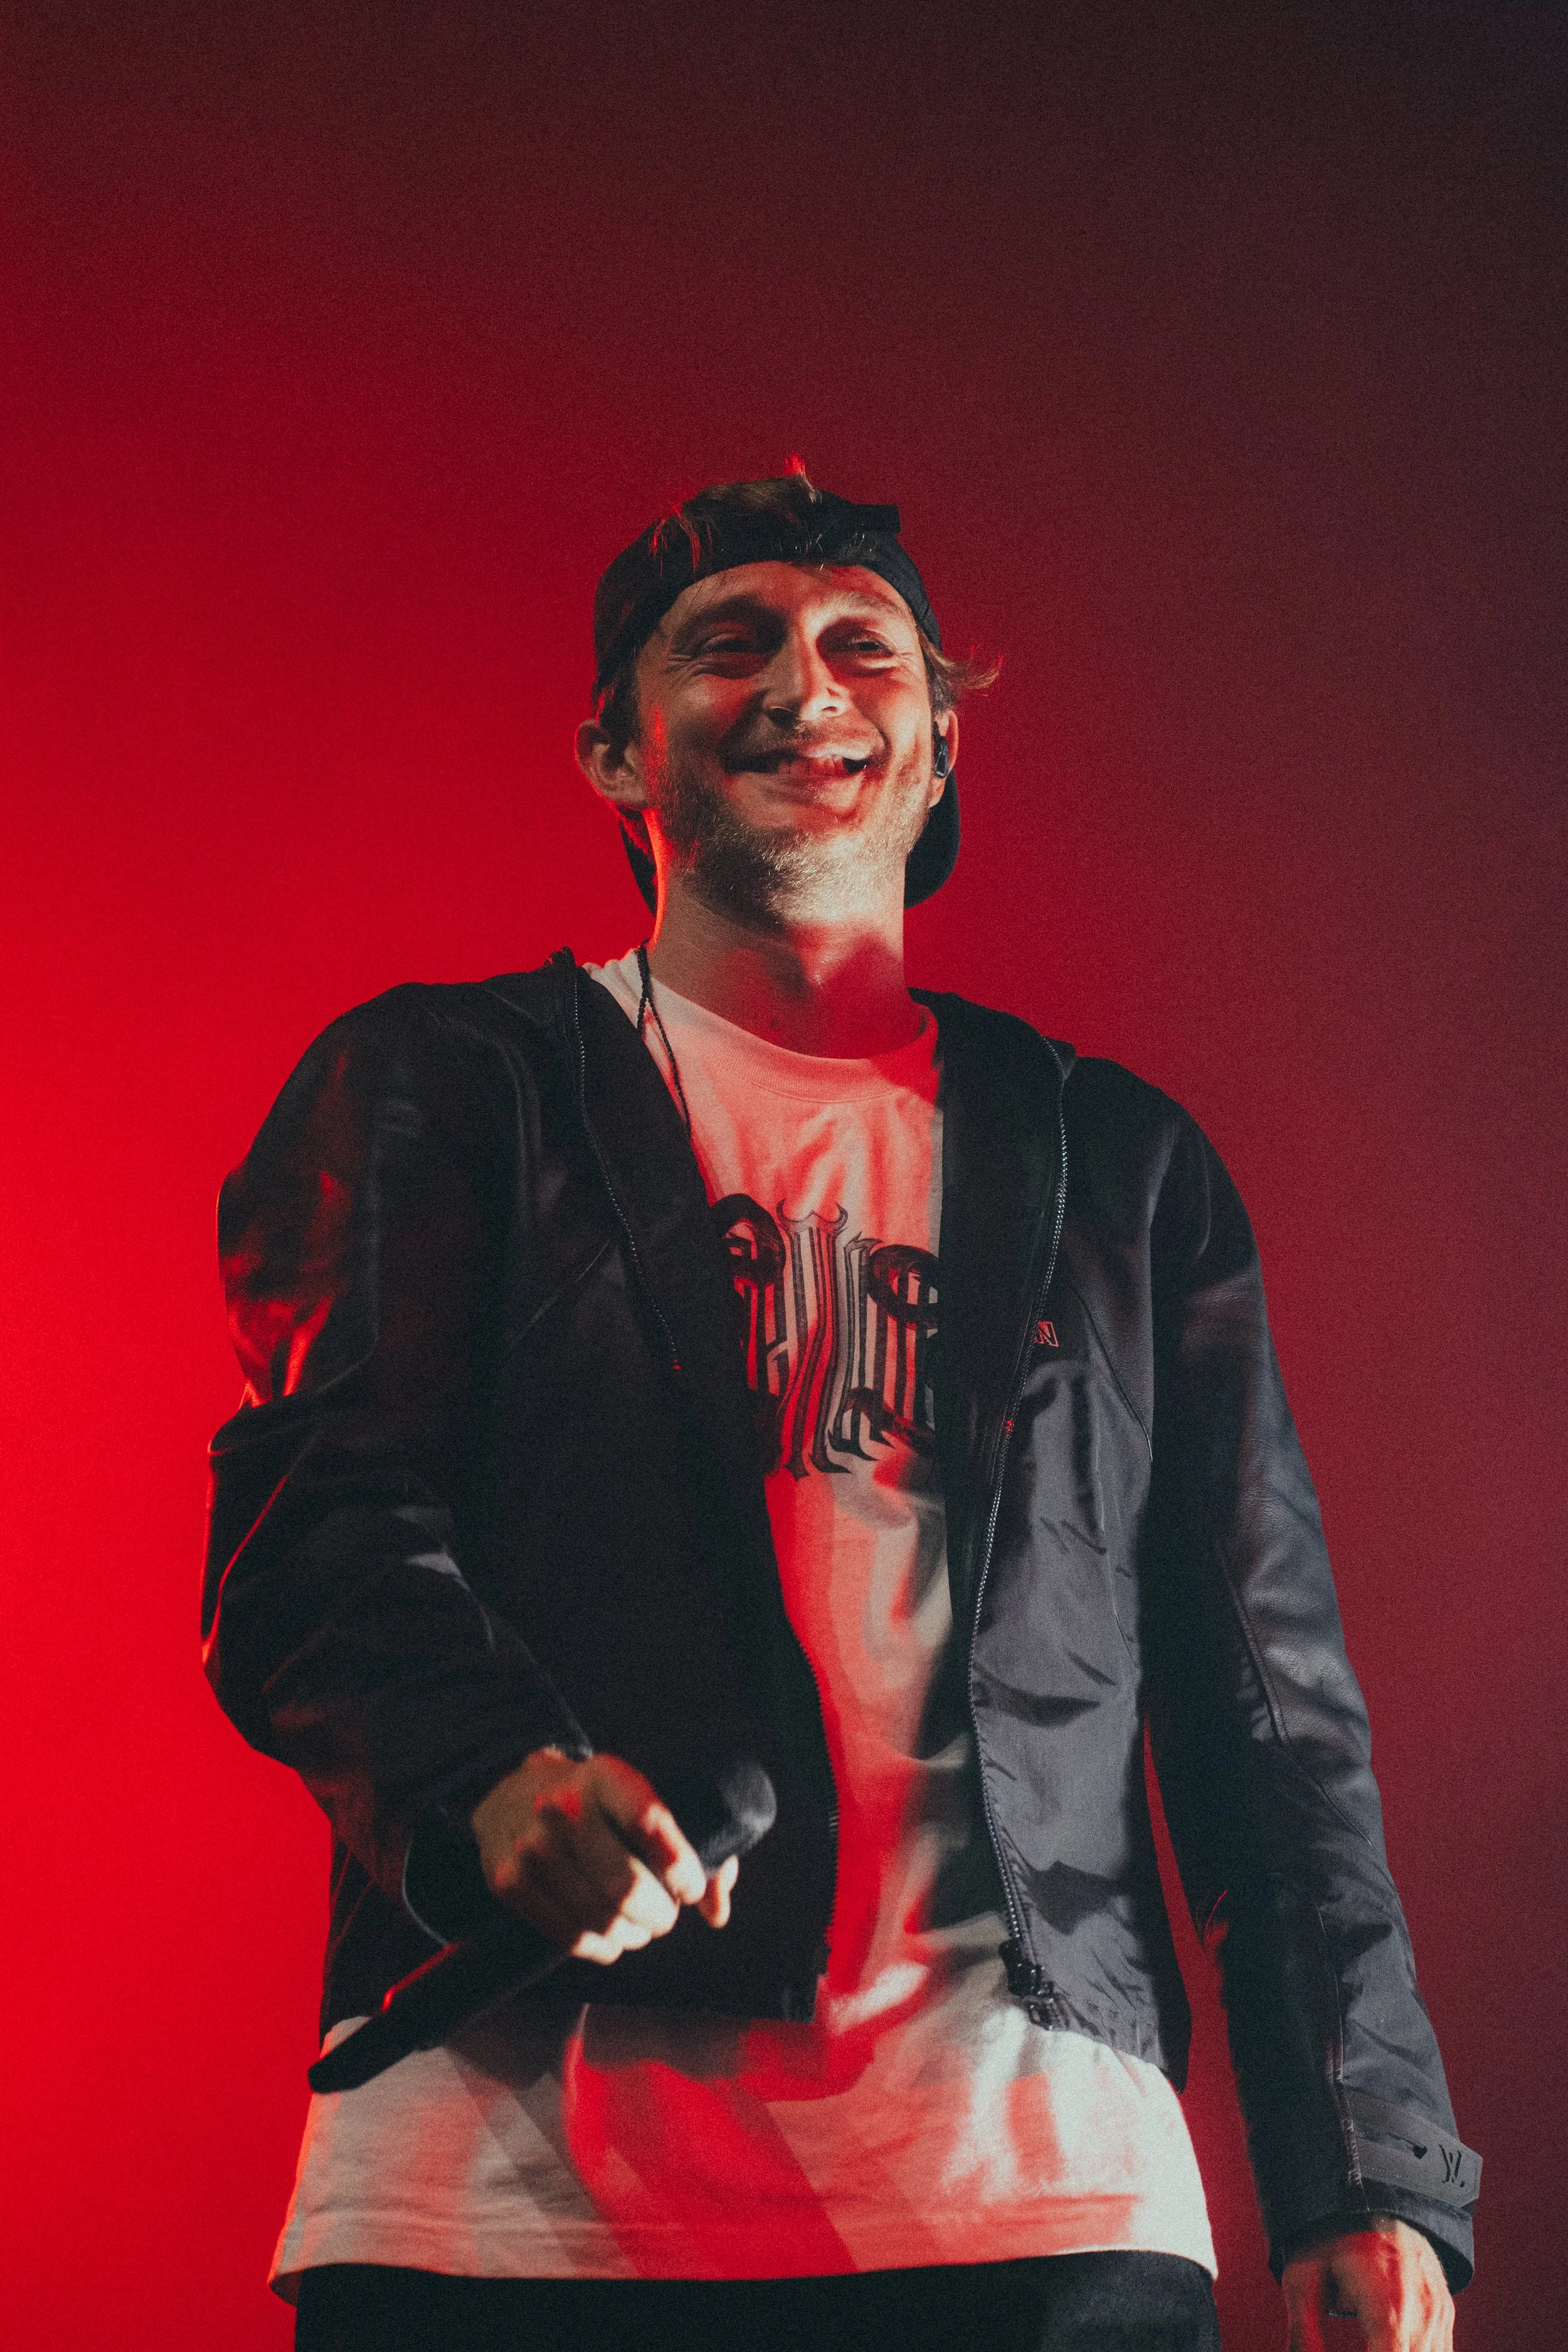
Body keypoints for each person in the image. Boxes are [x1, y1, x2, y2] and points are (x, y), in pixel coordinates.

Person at [204, 472, 1478, 2352]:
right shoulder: (445, 1086)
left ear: (937, 742)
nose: (807, 682)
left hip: (1032, 2192)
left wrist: (1361, 2162)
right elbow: (313, 1539)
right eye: (730, 643)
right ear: (611, 753)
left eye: (859, 646)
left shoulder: (1112, 1164)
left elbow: (1260, 1705)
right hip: (507, 2203)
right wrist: (487, 1776)